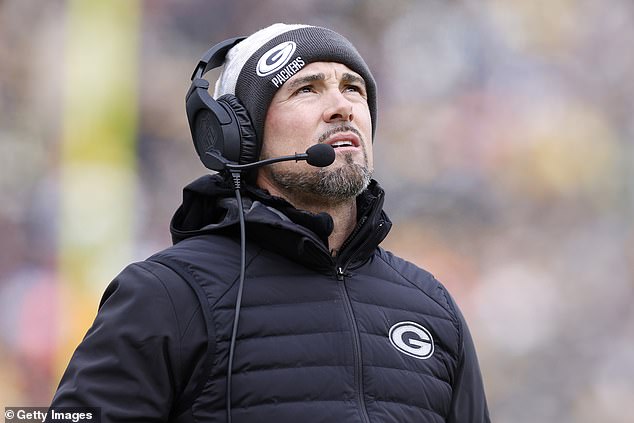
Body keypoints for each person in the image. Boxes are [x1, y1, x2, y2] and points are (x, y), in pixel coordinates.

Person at [50, 23, 491, 422]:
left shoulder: (431, 307)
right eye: (307, 89)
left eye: (354, 88)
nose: (342, 107)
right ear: (240, 135)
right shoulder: (166, 294)